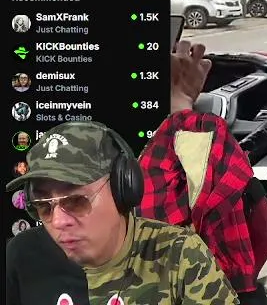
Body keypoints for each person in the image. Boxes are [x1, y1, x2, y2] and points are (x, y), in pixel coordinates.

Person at [5, 121, 240, 305]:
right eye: (44, 206)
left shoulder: (179, 255)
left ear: (123, 191)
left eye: (76, 201)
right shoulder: (21, 256)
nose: (58, 221)